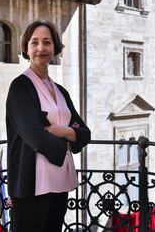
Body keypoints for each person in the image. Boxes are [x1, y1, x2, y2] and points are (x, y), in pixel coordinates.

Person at [6, 20, 91, 232]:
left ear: (55, 48)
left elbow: (85, 133)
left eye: (47, 42)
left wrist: (62, 131)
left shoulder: (61, 91)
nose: (41, 48)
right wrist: (69, 139)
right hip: (32, 185)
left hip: (60, 182)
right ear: (26, 48)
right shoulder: (20, 87)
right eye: (34, 42)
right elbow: (34, 135)